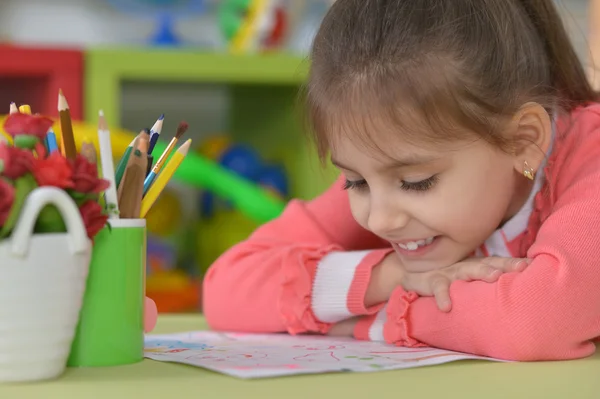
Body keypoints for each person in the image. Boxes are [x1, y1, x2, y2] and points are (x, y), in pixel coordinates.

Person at [202, 0, 600, 361]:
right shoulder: (387, 167)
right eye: (354, 182)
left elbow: (533, 323)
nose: (380, 220)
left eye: (417, 183)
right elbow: (226, 289)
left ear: (523, 140)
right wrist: (392, 276)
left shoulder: (590, 160)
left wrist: (369, 323)